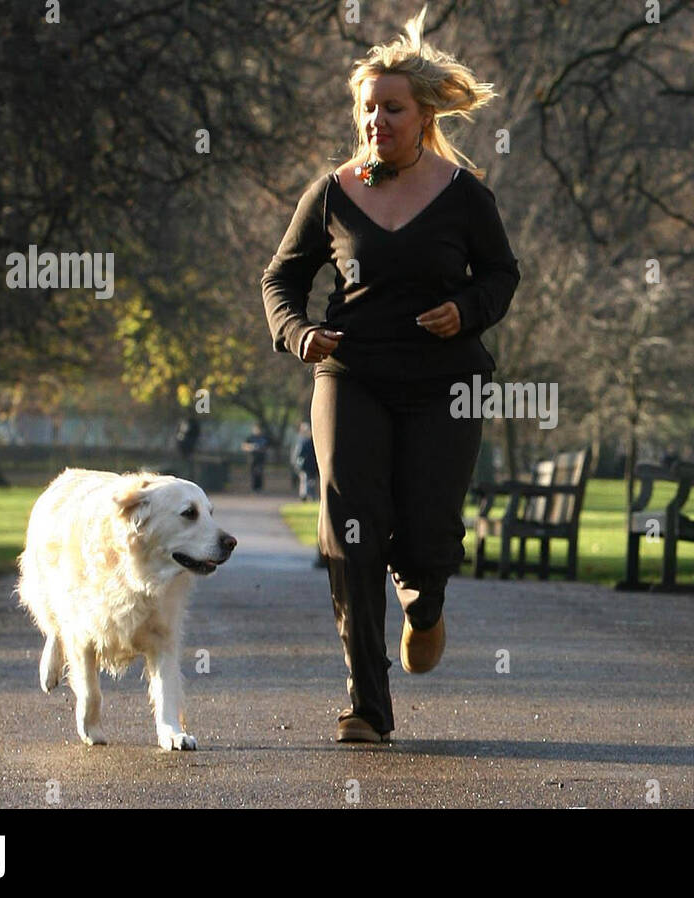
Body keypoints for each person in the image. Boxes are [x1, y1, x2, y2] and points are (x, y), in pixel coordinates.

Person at [260, 7, 519, 745]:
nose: (378, 121)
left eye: (392, 109)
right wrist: (298, 332)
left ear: (425, 113)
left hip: (446, 383)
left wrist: (467, 310)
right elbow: (280, 278)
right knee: (351, 532)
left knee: (430, 525)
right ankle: (368, 705)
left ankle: (425, 601)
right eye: (368, 108)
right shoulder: (334, 190)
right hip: (352, 374)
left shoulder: (465, 193)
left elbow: (502, 274)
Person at [291, 422, 318, 501]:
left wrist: (297, 464)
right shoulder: (303, 441)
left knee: (308, 480)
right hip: (307, 465)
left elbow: (299, 454)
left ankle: (307, 495)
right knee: (307, 480)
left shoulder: (305, 442)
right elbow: (299, 455)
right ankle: (307, 495)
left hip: (309, 465)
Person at [241, 424, 269, 492]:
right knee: (253, 473)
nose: (257, 431)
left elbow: (266, 448)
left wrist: (260, 449)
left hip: (261, 459)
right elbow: (243, 446)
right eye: (255, 429)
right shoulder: (250, 438)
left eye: (258, 429)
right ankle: (254, 488)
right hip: (252, 458)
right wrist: (251, 447)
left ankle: (259, 487)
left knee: (259, 472)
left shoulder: (263, 438)